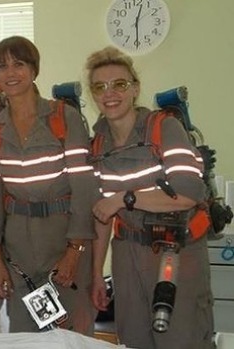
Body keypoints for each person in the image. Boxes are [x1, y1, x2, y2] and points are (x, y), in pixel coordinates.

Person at [87, 46, 214, 349]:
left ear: (134, 88)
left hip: (175, 252)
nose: (110, 93)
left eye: (119, 84)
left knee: (181, 339)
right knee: (133, 339)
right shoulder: (98, 144)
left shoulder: (164, 128)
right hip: (127, 254)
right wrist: (95, 274)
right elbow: (103, 214)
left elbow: (188, 193)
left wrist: (125, 198)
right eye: (99, 86)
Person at [0, 36, 97, 334]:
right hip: (19, 252)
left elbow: (84, 189)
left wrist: (74, 250)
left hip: (64, 241)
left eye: (19, 64)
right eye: (2, 67)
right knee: (25, 336)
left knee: (72, 335)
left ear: (34, 70)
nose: (10, 73)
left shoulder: (64, 118)